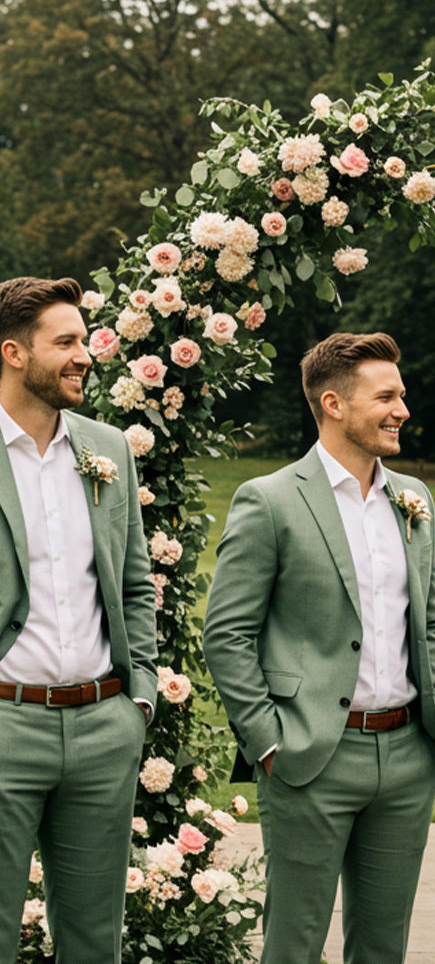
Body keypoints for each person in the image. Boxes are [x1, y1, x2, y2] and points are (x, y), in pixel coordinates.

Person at [203, 331, 435, 964]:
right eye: (387, 396)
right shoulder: (269, 500)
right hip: (309, 755)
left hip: (407, 755)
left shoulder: (413, 499)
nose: (403, 409)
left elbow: (426, 621)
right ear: (333, 403)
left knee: (383, 946)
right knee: (294, 944)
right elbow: (225, 633)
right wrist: (268, 741)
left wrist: (434, 713)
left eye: (402, 394)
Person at [0, 276, 157, 964]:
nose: (84, 355)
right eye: (64, 342)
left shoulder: (108, 449)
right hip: (6, 724)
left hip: (103, 727)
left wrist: (139, 698)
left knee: (96, 942)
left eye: (84, 340)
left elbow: (133, 583)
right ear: (12, 353)